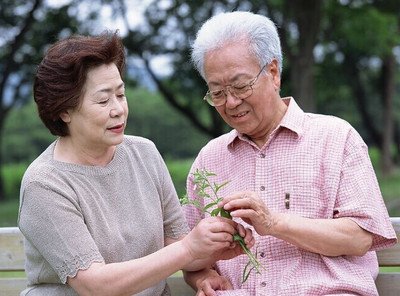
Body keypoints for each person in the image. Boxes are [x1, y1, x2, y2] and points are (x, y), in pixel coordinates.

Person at [17, 31, 255, 296]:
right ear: (64, 111)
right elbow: (96, 286)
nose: (118, 109)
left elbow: (177, 244)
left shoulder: (145, 153)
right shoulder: (45, 184)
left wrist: (215, 245)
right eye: (103, 100)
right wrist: (189, 248)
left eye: (121, 94)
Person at [183, 11, 397, 296]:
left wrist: (274, 224)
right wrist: (201, 277)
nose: (231, 102)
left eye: (240, 86)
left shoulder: (335, 138)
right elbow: (190, 253)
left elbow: (360, 238)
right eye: (217, 92)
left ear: (273, 73)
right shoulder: (209, 159)